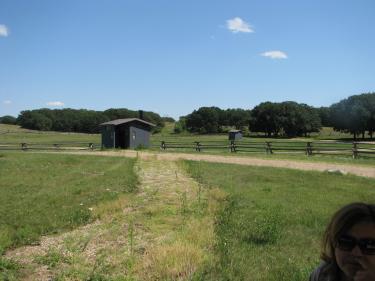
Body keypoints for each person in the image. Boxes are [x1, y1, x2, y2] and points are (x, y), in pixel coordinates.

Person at [309, 202, 375, 281]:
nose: (356, 253)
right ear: (333, 243)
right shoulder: (322, 274)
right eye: (346, 242)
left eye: (369, 245)